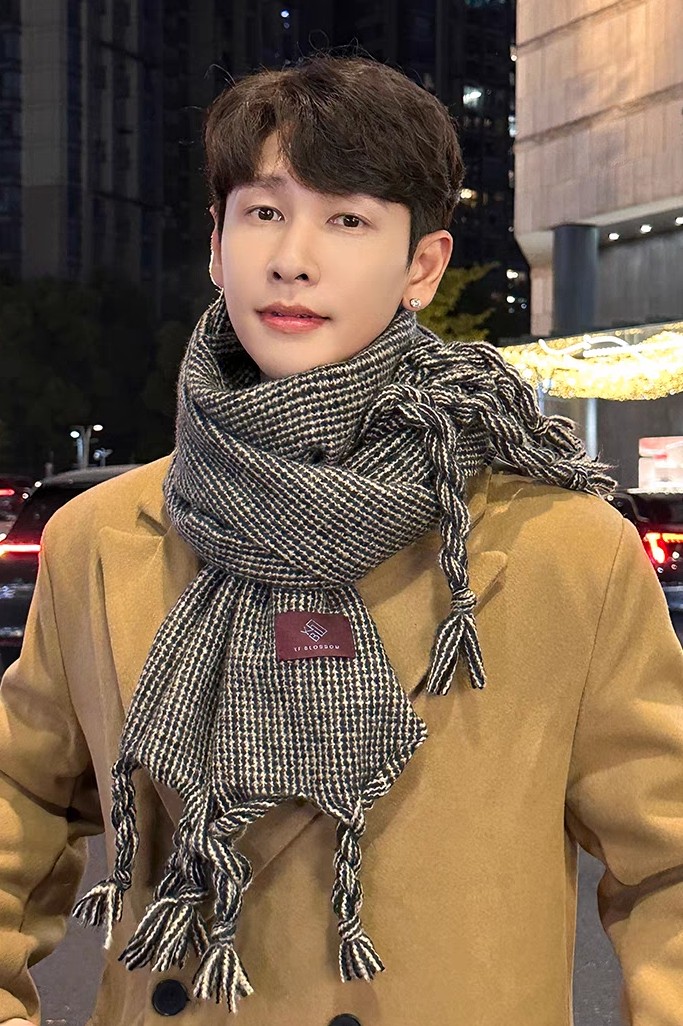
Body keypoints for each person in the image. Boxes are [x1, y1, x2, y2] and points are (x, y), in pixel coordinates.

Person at [0, 54, 681, 1026]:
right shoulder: (100, 538)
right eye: (263, 212)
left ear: (422, 267)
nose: (292, 257)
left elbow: (668, 869)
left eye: (347, 220)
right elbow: (17, 803)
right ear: (216, 246)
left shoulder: (562, 551)